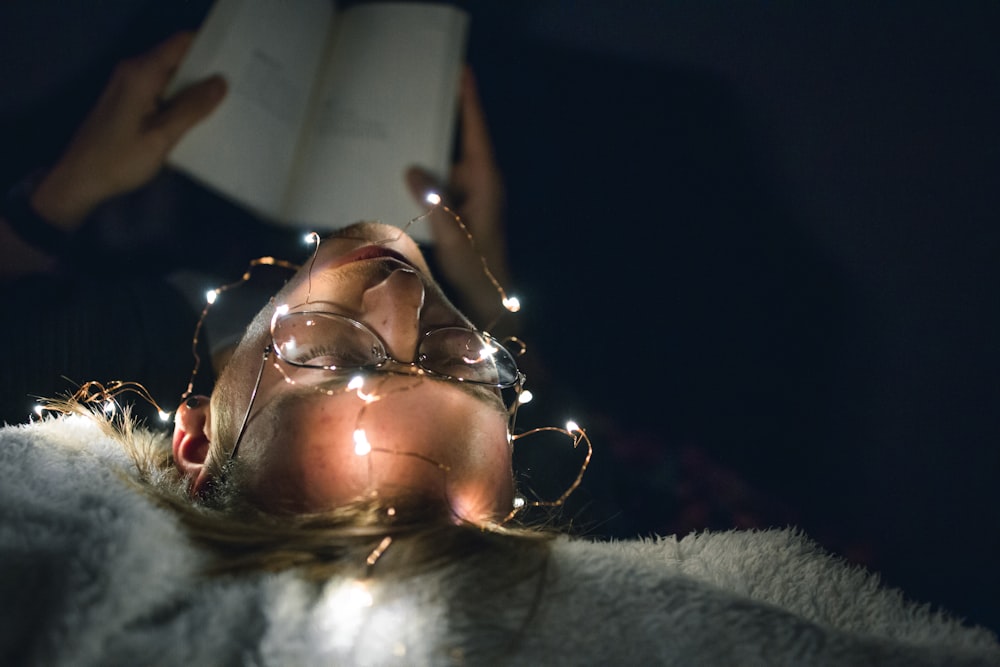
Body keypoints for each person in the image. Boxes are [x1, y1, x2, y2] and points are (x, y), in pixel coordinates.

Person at [2, 31, 998, 666]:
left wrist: (65, 193)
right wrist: (482, 285)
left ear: (193, 440)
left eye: (333, 354)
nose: (400, 303)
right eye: (457, 360)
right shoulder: (510, 334)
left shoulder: (121, 348)